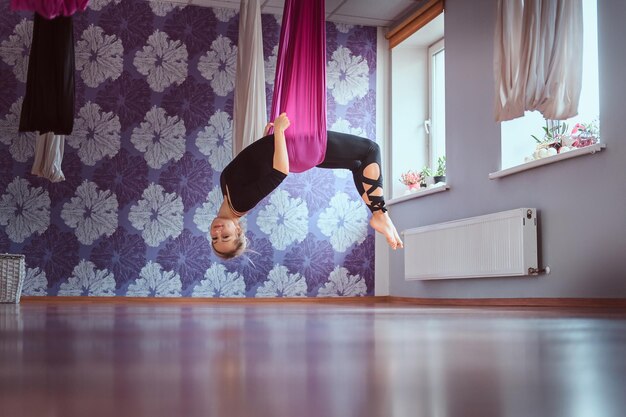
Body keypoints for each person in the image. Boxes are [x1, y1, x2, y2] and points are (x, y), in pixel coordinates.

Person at [211, 113, 403, 259]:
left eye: (215, 238)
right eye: (225, 237)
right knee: (370, 150)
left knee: (357, 164)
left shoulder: (230, 198)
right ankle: (380, 214)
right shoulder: (240, 202)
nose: (218, 232)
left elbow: (258, 167)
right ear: (238, 230)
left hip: (291, 146)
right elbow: (279, 173)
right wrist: (278, 132)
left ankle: (379, 215)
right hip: (297, 147)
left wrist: (266, 138)